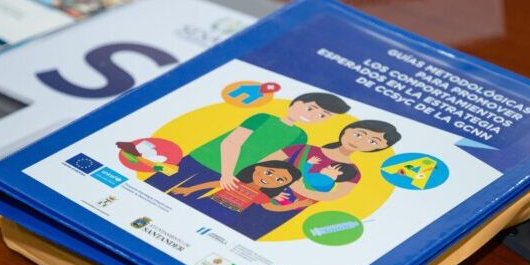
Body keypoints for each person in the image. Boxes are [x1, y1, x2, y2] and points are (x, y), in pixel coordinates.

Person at [145, 92, 350, 194]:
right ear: (296, 104)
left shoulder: (300, 136)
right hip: (202, 159)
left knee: (184, 201)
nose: (314, 115)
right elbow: (231, 143)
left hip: (232, 177)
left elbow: (271, 162)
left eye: (323, 115)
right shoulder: (263, 118)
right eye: (311, 108)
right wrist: (227, 173)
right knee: (154, 188)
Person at [262, 119, 402, 212]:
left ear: (380, 148)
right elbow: (265, 163)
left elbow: (333, 195)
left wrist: (300, 189)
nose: (359, 142)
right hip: (260, 191)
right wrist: (273, 189)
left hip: (290, 207)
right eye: (359, 134)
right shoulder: (303, 148)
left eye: (373, 142)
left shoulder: (353, 172)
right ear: (348, 130)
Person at [170, 160, 302, 212]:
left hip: (228, 215)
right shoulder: (236, 182)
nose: (271, 178)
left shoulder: (261, 196)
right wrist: (189, 189)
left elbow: (271, 207)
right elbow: (214, 184)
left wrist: (294, 206)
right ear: (258, 168)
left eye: (280, 180)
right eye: (269, 172)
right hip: (208, 203)